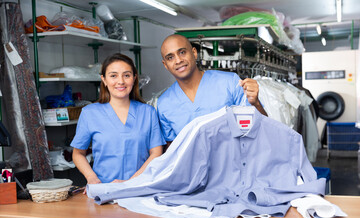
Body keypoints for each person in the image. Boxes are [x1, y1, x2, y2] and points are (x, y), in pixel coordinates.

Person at [71, 53, 165, 185]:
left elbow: (156, 153)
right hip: (104, 188)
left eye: (126, 75)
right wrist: (92, 178)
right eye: (113, 76)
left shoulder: (148, 112)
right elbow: (78, 153)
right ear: (104, 79)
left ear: (134, 78)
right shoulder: (89, 113)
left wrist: (131, 182)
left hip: (139, 187)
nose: (120, 81)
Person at [157, 34, 267, 146]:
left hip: (233, 161)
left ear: (194, 53)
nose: (178, 60)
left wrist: (256, 104)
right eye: (170, 57)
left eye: (182, 52)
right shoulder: (164, 103)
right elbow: (172, 150)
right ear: (165, 65)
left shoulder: (230, 82)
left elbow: (263, 128)